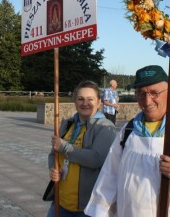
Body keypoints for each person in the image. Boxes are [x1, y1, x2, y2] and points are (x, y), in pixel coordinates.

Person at [84, 65, 170, 217]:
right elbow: (109, 177)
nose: (147, 100)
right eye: (141, 93)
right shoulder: (128, 131)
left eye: (154, 92)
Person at [46, 80, 117, 217]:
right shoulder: (67, 124)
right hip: (60, 202)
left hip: (88, 207)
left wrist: (65, 147)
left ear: (99, 102)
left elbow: (96, 159)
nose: (85, 103)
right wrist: (53, 169)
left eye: (90, 99)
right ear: (75, 102)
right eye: (80, 99)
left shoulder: (105, 127)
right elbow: (53, 153)